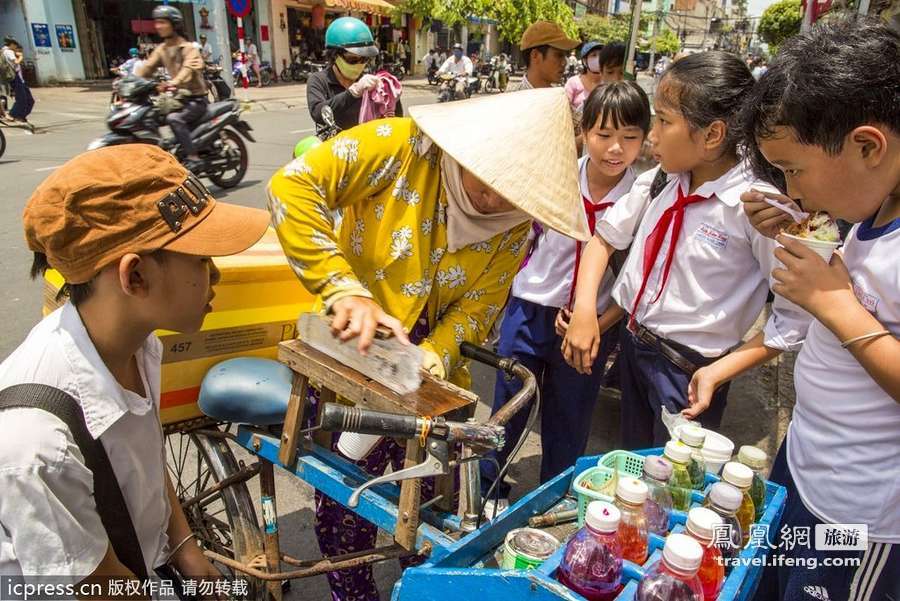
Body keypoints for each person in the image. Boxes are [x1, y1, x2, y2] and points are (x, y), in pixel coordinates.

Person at [267, 88, 589, 601]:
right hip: (353, 347)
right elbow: (292, 188)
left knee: (431, 507)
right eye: (488, 180)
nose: (494, 200)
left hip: (430, 374)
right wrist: (343, 289)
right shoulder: (399, 145)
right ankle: (352, 590)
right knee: (350, 500)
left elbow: (480, 307)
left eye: (513, 194)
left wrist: (430, 355)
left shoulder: (514, 228)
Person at [0, 145, 270, 588]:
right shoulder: (35, 446)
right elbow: (101, 588)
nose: (216, 275)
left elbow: (141, 459)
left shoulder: (139, 347)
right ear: (135, 277)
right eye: (202, 259)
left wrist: (185, 548)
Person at [725, 20, 899, 601]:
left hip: (861, 515)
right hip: (805, 465)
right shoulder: (872, 209)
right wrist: (799, 231)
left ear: (868, 145)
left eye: (794, 171)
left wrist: (833, 304)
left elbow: (847, 303)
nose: (793, 192)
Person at [562, 51, 809, 446]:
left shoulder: (758, 208)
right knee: (633, 469)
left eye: (663, 120)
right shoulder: (663, 178)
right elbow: (604, 239)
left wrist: (721, 370)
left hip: (689, 374)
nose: (652, 136)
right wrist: (586, 311)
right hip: (633, 348)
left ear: (712, 135)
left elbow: (794, 319)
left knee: (670, 488)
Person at [481, 82, 652, 510]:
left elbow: (634, 276)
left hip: (592, 324)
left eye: (630, 137)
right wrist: (497, 306)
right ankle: (489, 491)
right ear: (583, 132)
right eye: (603, 135)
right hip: (530, 308)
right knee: (509, 404)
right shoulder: (556, 176)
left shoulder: (643, 197)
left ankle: (552, 500)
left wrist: (594, 321)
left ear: (645, 138)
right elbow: (520, 241)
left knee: (570, 415)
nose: (615, 148)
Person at [136, 6, 208, 171]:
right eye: (157, 22)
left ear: (174, 24)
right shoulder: (162, 49)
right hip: (178, 98)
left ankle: (193, 157)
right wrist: (128, 83)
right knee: (150, 116)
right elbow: (146, 68)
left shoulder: (188, 48)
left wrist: (174, 82)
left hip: (196, 99)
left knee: (174, 119)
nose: (158, 26)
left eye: (162, 22)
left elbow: (188, 69)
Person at [307, 17, 403, 137]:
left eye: (364, 59)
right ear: (334, 55)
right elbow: (317, 113)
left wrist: (392, 94)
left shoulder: (370, 84)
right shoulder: (318, 80)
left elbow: (395, 121)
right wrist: (353, 92)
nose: (360, 64)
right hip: (333, 148)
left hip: (364, 147)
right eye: (353, 59)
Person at [508, 20, 579, 92]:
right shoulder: (511, 100)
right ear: (535, 55)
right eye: (558, 55)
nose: (564, 62)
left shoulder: (563, 99)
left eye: (565, 55)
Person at [1, 36, 34, 125]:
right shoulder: (8, 51)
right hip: (14, 78)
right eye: (15, 45)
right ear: (11, 44)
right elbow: (16, 62)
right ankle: (13, 115)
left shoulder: (5, 51)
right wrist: (21, 57)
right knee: (22, 98)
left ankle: (21, 116)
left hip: (19, 79)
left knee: (29, 100)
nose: (16, 47)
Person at [564, 40, 604, 112]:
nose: (599, 58)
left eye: (602, 55)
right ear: (584, 61)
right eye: (594, 55)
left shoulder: (607, 84)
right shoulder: (573, 82)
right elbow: (565, 108)